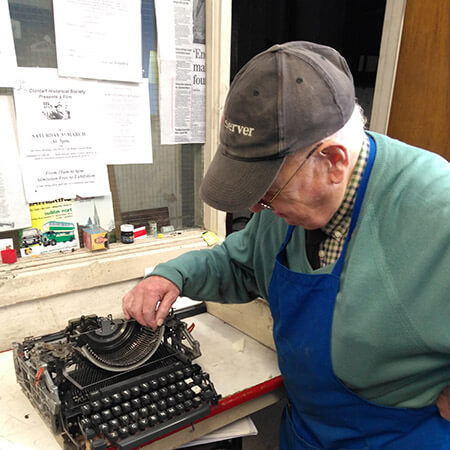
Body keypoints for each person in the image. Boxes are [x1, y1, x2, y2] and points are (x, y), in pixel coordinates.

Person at [123, 41, 450, 448]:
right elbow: (239, 263)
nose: (258, 208)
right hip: (304, 432)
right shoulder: (282, 213)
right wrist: (173, 275)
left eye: (268, 193)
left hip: (396, 438)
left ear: (333, 162)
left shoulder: (437, 209)